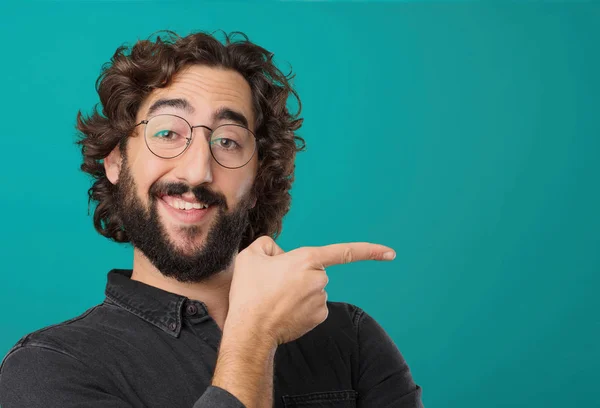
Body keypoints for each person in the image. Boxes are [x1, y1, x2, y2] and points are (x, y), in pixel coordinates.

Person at [0, 31, 422, 408]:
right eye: (167, 133)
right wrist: (254, 336)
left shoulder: (350, 340)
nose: (198, 171)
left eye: (227, 141)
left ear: (257, 181)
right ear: (116, 162)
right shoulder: (48, 368)